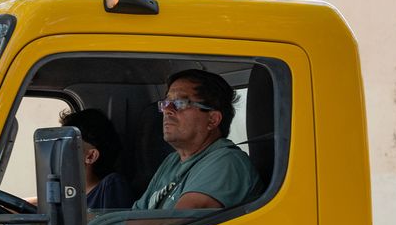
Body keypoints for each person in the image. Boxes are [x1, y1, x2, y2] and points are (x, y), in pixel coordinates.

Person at [133, 69, 257, 213]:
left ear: (213, 119)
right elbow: (136, 215)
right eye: (166, 103)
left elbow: (177, 224)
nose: (167, 110)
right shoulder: (172, 161)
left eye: (180, 103)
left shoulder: (227, 162)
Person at [62, 107, 131, 210]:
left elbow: (114, 224)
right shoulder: (70, 195)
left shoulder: (110, 186)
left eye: (66, 144)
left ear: (91, 156)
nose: (61, 151)